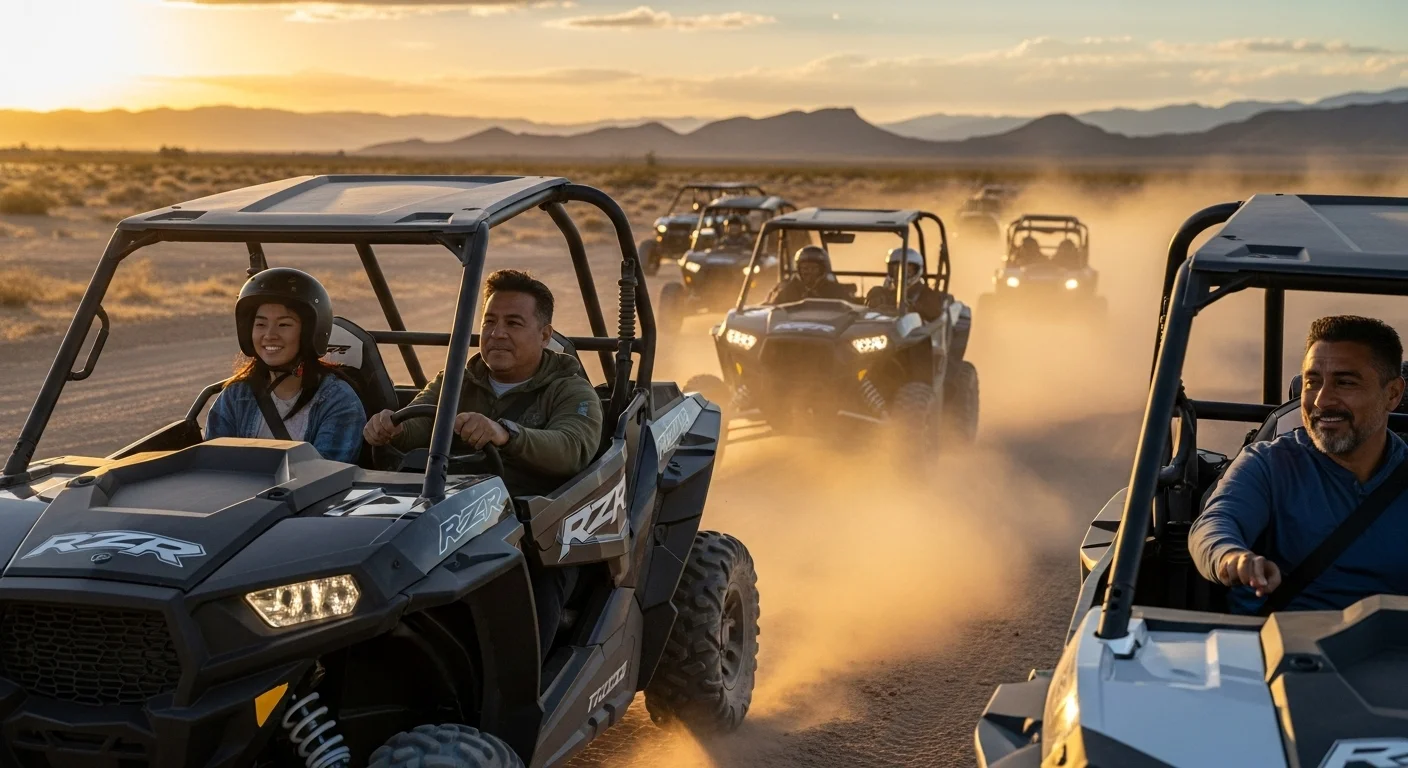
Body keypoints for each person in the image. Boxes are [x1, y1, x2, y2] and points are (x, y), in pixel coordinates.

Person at [1189, 316, 1408, 613]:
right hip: (1275, 647)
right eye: (1312, 382)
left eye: (1345, 383)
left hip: (1389, 652)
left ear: (1393, 394)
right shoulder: (1268, 464)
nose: (1321, 400)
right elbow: (1214, 525)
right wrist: (1233, 558)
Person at [362, 269, 603, 497]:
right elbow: (422, 421)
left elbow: (572, 449)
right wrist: (393, 429)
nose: (497, 333)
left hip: (522, 519)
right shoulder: (455, 379)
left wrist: (506, 434)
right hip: (448, 504)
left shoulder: (570, 390)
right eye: (489, 322)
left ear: (544, 336)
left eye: (513, 323)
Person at [206, 268, 366, 464]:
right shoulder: (236, 397)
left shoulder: (338, 402)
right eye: (261, 325)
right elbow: (212, 467)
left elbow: (325, 478)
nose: (269, 335)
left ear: (308, 334)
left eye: (284, 325)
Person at [865, 247, 945, 322]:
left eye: (908, 271)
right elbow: (866, 310)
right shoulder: (878, 292)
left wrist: (909, 308)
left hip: (911, 334)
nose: (900, 275)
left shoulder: (927, 294)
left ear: (917, 271)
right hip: (880, 330)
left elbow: (933, 315)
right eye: (895, 270)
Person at [766, 246, 853, 304]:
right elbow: (773, 309)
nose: (809, 273)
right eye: (805, 269)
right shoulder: (789, 290)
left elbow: (851, 309)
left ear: (822, 270)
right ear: (798, 270)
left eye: (813, 268)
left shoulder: (835, 290)